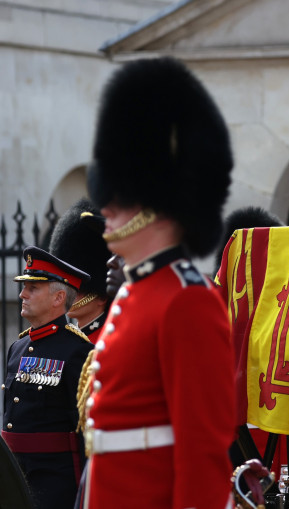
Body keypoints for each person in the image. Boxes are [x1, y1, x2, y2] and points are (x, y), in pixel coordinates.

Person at [81, 57, 236, 508]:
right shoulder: (136, 291)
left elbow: (203, 451)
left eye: (121, 195)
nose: (105, 205)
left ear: (157, 200)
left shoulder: (186, 301)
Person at [1, 246, 94, 509]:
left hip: (56, 486)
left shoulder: (79, 351)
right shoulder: (17, 348)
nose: (22, 294)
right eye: (24, 286)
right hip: (15, 481)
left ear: (58, 298)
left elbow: (86, 434)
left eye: (32, 288)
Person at [49, 198, 113, 342]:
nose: (66, 291)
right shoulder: (71, 342)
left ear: (102, 296)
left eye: (78, 287)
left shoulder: (107, 341)